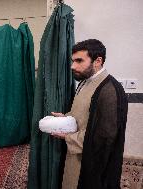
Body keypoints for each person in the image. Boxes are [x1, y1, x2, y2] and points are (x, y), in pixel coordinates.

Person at [51, 39, 128, 189]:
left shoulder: (110, 90)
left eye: (79, 60)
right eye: (73, 61)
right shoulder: (84, 82)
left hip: (92, 165)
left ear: (98, 61)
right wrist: (66, 118)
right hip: (76, 156)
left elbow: (104, 138)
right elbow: (84, 114)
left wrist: (67, 137)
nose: (73, 66)